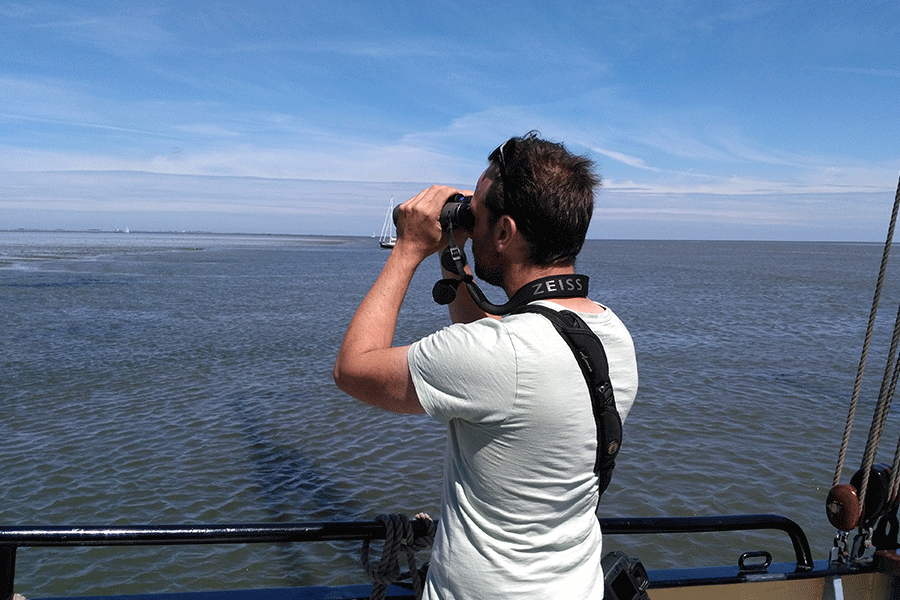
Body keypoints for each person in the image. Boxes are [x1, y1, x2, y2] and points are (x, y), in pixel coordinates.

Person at [334, 132, 638, 599]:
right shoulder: (610, 332)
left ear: (504, 233)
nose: (469, 226)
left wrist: (408, 249)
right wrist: (452, 255)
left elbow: (353, 369)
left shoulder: (497, 356)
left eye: (476, 215)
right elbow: (498, 347)